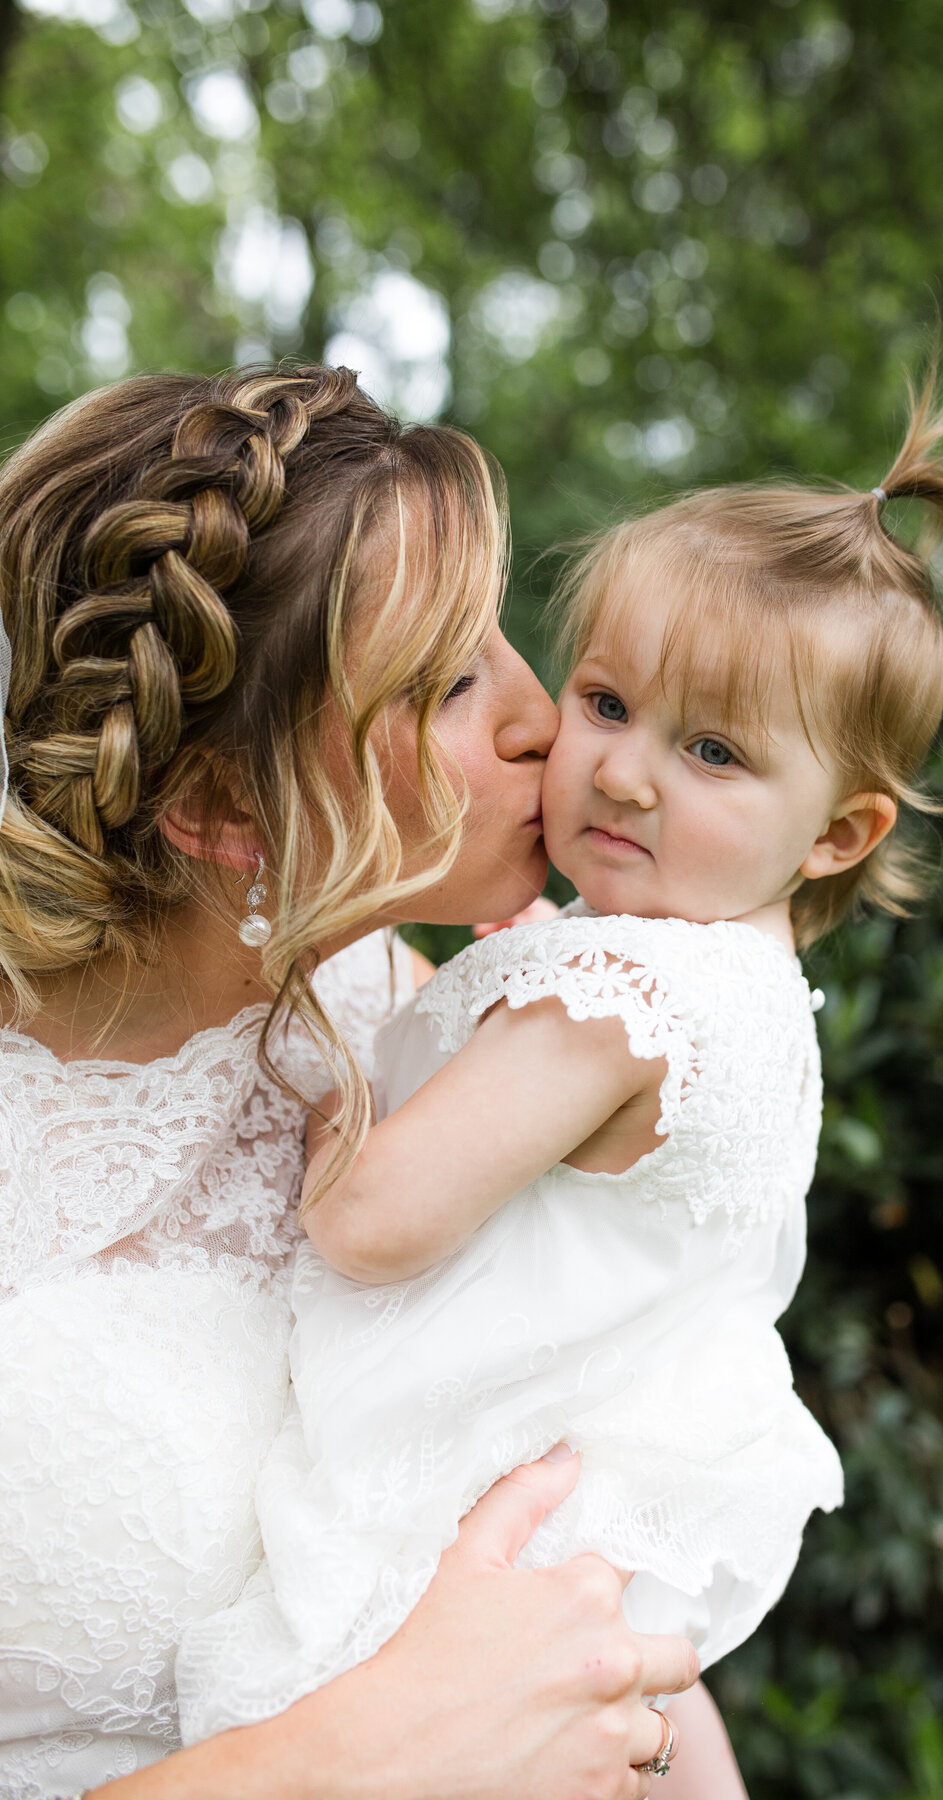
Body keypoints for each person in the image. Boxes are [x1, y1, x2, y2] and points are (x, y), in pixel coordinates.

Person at [172, 378, 943, 1781]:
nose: (620, 774)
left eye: (715, 751)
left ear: (839, 833)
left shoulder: (628, 1000)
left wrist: (322, 1102)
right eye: (610, 702)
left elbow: (372, 1223)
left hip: (471, 1512)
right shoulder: (716, 982)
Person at [0, 364, 704, 1800]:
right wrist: (354, 1763)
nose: (544, 721)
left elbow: (590, 1558)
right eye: (450, 682)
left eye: (507, 640)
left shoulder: (431, 1026)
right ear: (215, 805)